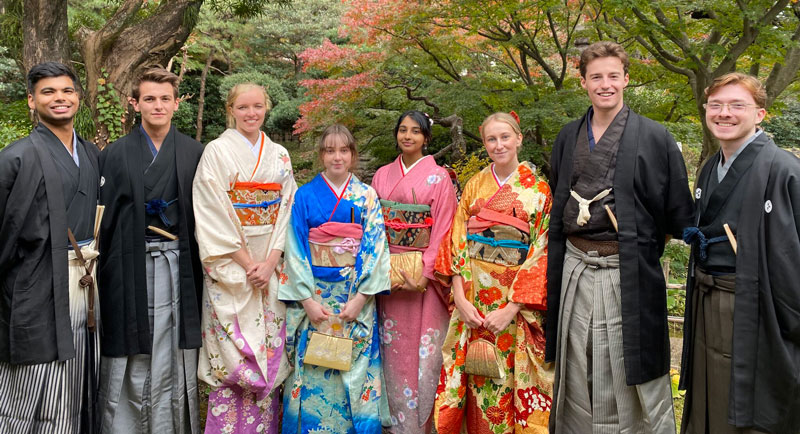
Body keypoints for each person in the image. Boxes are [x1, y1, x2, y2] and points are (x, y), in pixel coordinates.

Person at [545, 40, 694, 433]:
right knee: (577, 359)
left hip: (626, 269)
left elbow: (676, 209)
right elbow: (560, 195)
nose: (605, 84)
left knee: (627, 361)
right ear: (583, 83)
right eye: (596, 77)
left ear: (627, 79)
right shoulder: (566, 137)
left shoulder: (655, 136)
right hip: (576, 265)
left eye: (613, 76)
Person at [679, 73, 800, 434]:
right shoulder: (708, 170)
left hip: (757, 307)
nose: (724, 113)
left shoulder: (784, 169)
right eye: (715, 105)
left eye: (736, 105)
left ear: (760, 114)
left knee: (751, 403)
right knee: (709, 396)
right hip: (706, 295)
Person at [97, 67, 204, 433]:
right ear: (135, 103)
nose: (157, 106)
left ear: (177, 103)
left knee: (174, 348)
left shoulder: (195, 152)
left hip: (179, 264)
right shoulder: (113, 154)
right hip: (130, 265)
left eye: (164, 99)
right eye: (149, 99)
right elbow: (104, 221)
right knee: (133, 346)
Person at [434, 112, 553, 434]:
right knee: (476, 381)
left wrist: (513, 308)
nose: (498, 145)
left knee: (511, 380)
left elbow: (542, 250)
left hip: (513, 305)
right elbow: (457, 241)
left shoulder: (539, 190)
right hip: (473, 299)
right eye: (491, 139)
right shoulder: (475, 185)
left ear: (519, 139)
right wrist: (459, 298)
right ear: (484, 143)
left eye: (504, 137)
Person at [0, 61, 101, 434]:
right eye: (48, 92)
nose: (59, 98)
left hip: (87, 279)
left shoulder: (90, 153)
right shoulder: (15, 158)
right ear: (31, 100)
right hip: (37, 283)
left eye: (67, 91)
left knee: (79, 375)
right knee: (34, 379)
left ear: (78, 97)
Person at [192, 83, 296, 433]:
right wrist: (246, 262)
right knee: (233, 356)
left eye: (258, 106)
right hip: (232, 265)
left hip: (270, 261)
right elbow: (211, 210)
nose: (251, 113)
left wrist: (270, 262)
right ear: (230, 110)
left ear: (266, 107)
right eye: (243, 107)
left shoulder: (279, 153)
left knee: (268, 349)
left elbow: (286, 210)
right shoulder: (216, 151)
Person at [279, 124, 391, 434]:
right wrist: (307, 301)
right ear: (321, 155)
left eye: (343, 150)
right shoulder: (304, 196)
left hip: (354, 299)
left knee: (354, 377)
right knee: (312, 370)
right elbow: (295, 249)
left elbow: (375, 248)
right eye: (329, 150)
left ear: (353, 155)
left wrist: (360, 299)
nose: (336, 157)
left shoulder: (366, 196)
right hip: (314, 298)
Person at [371, 110, 457, 433]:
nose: (408, 136)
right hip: (389, 277)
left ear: (426, 138)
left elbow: (444, 227)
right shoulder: (381, 175)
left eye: (415, 132)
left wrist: (425, 272)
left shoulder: (439, 178)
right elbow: (373, 227)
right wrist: (382, 269)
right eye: (403, 130)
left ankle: (423, 426)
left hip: (423, 280)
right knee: (392, 355)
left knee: (426, 356)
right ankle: (392, 426)